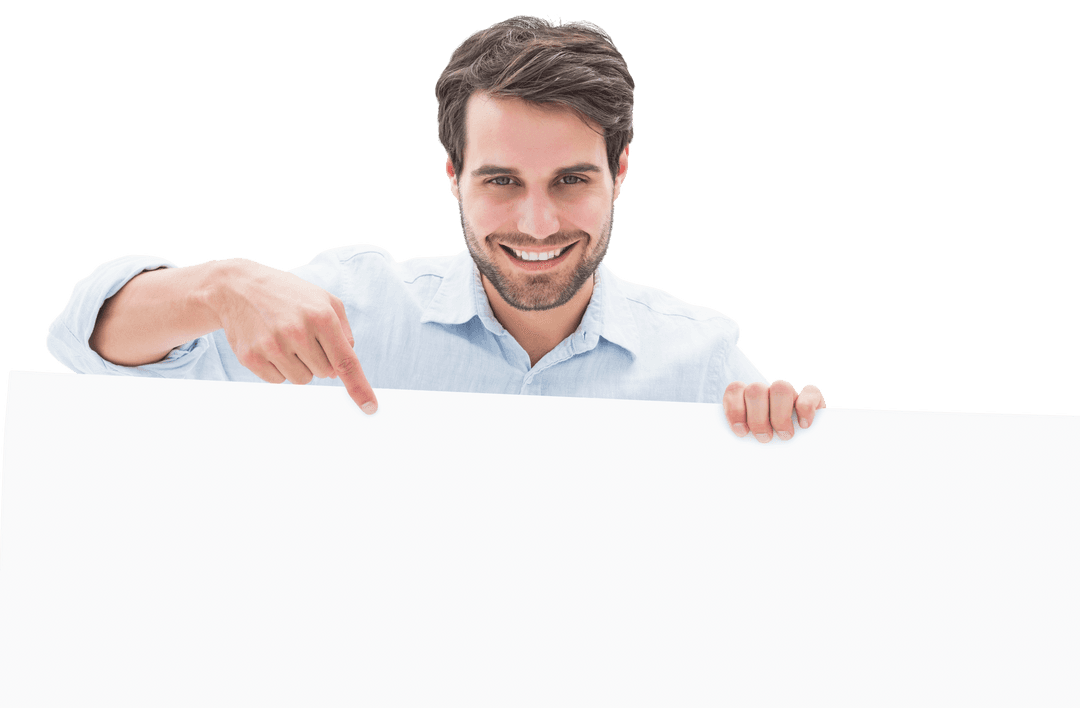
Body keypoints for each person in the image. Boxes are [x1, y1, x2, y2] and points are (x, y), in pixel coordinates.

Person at [46, 15, 825, 443]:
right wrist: (220, 288)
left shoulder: (699, 361)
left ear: (621, 168)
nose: (537, 221)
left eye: (572, 180)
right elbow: (88, 346)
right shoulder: (347, 311)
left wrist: (783, 444)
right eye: (500, 181)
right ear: (452, 174)